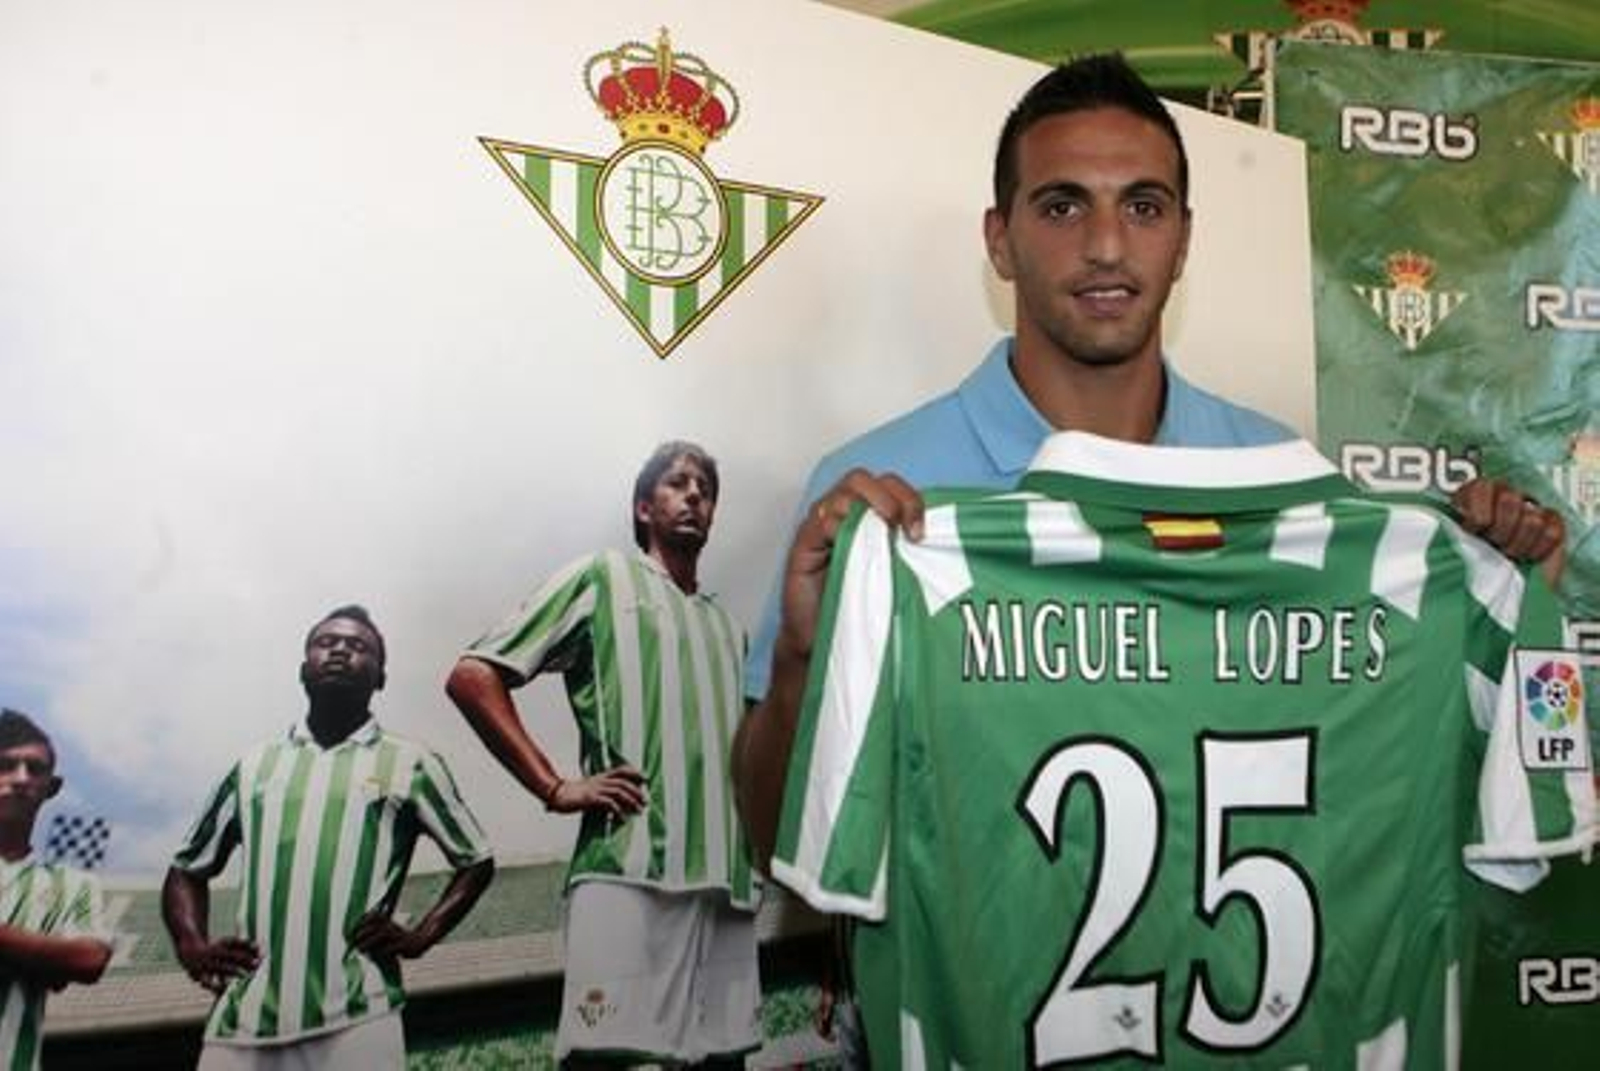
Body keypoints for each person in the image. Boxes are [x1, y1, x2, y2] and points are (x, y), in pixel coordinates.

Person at [731, 51, 1567, 870]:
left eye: (1143, 207)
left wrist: (1503, 601)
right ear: (1000, 239)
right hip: (966, 1008)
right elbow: (773, 842)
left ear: (1184, 239)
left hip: (1242, 996)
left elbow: (1395, 786)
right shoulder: (885, 494)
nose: (1105, 245)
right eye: (1062, 207)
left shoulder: (1286, 483)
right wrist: (801, 659)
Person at [447, 441, 759, 1068]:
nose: (695, 493)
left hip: (725, 886)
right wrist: (555, 787)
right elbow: (472, 675)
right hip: (629, 873)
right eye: (677, 483)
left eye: (705, 487)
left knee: (722, 1064)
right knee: (614, 1060)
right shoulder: (603, 578)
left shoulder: (729, 628)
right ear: (645, 508)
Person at [163, 605, 494, 1070]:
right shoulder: (254, 765)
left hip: (359, 1016)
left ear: (380, 677)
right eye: (326, 643)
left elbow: (476, 859)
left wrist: (423, 935)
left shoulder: (410, 762)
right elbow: (186, 868)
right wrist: (191, 946)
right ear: (304, 669)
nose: (340, 650)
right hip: (241, 1020)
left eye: (359, 647)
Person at [0, 709, 112, 1071]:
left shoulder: (73, 885)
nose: (20, 778)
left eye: (34, 768)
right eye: (5, 765)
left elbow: (89, 959)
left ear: (52, 787)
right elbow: (62, 963)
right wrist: (41, 954)